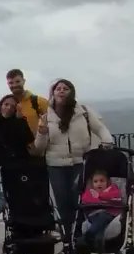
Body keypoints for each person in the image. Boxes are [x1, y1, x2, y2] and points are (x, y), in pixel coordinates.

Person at [34, 78, 114, 237]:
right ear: (53, 93)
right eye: (58, 88)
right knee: (63, 202)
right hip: (56, 165)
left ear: (72, 92)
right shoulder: (46, 116)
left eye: (65, 88)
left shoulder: (83, 112)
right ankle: (67, 237)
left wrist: (108, 142)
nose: (61, 90)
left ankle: (79, 235)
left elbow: (100, 128)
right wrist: (42, 133)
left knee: (80, 201)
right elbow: (40, 147)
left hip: (80, 162)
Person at [0, 94, 37, 181]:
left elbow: (27, 140)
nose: (8, 108)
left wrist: (20, 119)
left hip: (17, 168)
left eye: (13, 106)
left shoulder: (19, 122)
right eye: (6, 104)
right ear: (1, 105)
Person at [79, 169, 124, 251]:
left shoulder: (112, 190)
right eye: (95, 181)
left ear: (107, 182)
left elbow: (116, 198)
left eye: (102, 181)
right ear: (92, 183)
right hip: (93, 215)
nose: (99, 183)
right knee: (99, 222)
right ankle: (98, 244)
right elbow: (85, 201)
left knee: (102, 217)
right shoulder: (90, 192)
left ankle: (88, 236)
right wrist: (101, 199)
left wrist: (100, 196)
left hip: (109, 214)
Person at [6, 68, 48, 133]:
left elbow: (54, 125)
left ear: (23, 81)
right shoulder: (7, 105)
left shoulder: (40, 102)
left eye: (17, 81)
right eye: (11, 83)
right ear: (8, 84)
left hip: (38, 142)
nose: (14, 85)